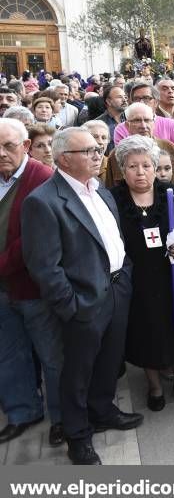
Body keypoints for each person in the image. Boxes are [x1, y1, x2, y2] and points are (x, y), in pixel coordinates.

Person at [22, 127, 140, 465]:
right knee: (76, 373)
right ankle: (77, 435)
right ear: (64, 159)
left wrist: (125, 273)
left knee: (109, 360)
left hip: (118, 288)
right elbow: (44, 267)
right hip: (83, 303)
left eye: (97, 148)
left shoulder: (100, 190)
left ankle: (103, 410)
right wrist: (71, 307)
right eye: (87, 150)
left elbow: (111, 238)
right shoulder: (42, 202)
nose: (97, 154)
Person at [109, 136, 174, 412]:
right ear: (123, 170)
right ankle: (155, 387)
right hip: (136, 281)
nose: (140, 172)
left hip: (172, 277)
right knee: (145, 333)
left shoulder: (173, 195)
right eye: (133, 166)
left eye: (146, 165)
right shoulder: (112, 200)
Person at [0, 118, 62, 447]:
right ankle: (23, 412)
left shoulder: (42, 177)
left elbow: (33, 239)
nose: (1, 153)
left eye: (8, 146)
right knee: (10, 355)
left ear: (25, 146)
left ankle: (62, 418)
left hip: (33, 287)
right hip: (3, 290)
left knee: (51, 355)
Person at [105, 103, 174, 190]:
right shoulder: (116, 155)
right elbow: (110, 194)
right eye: (137, 120)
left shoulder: (169, 148)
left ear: (153, 123)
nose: (143, 126)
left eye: (147, 120)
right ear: (127, 125)